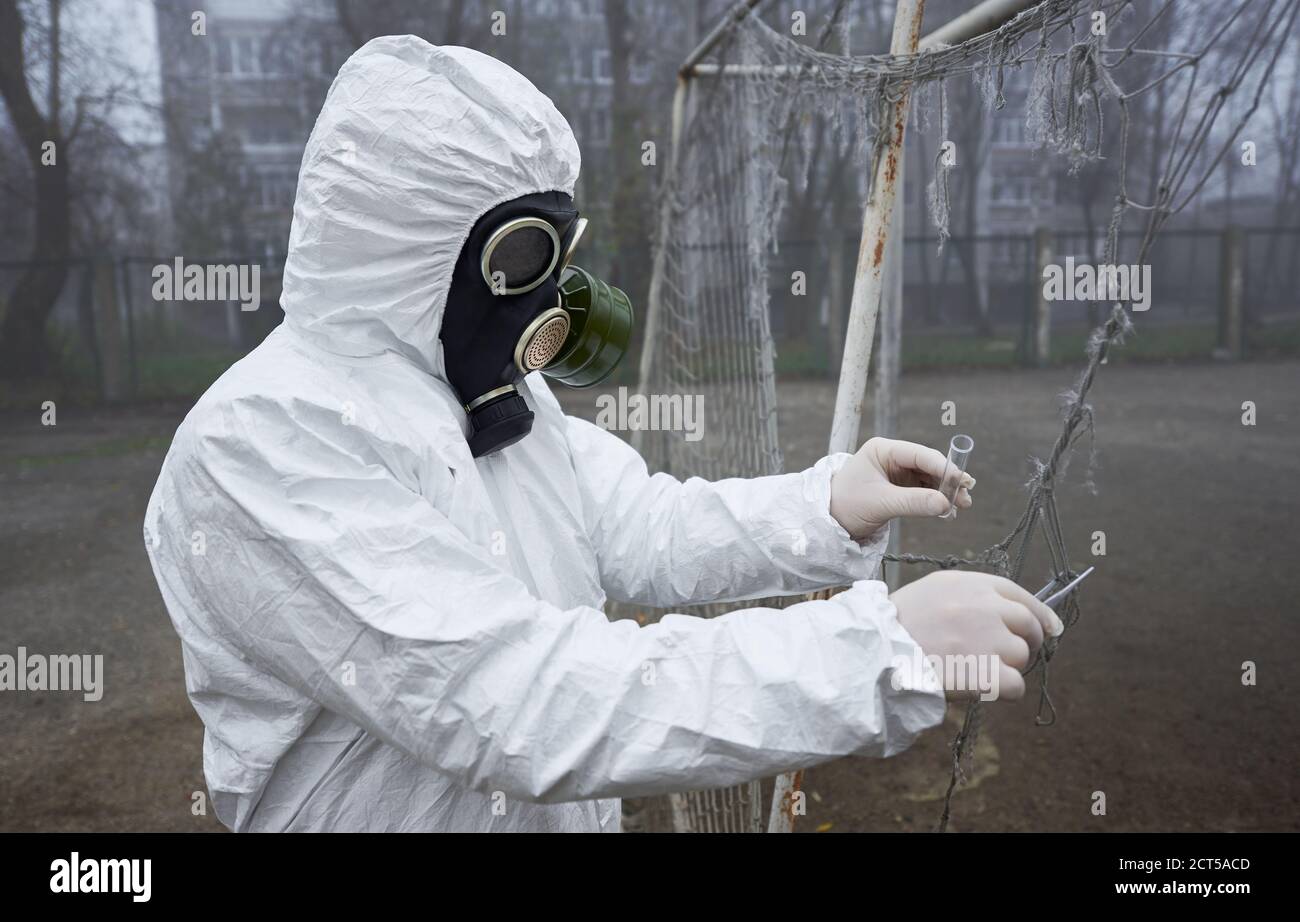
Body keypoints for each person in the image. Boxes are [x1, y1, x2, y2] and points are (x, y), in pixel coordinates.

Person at [143, 36, 1059, 833]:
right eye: (524, 255)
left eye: (559, 252)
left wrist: (823, 506)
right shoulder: (261, 444)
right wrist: (879, 650)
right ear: (407, 249)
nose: (556, 298)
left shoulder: (481, 388)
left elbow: (642, 527)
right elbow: (521, 699)